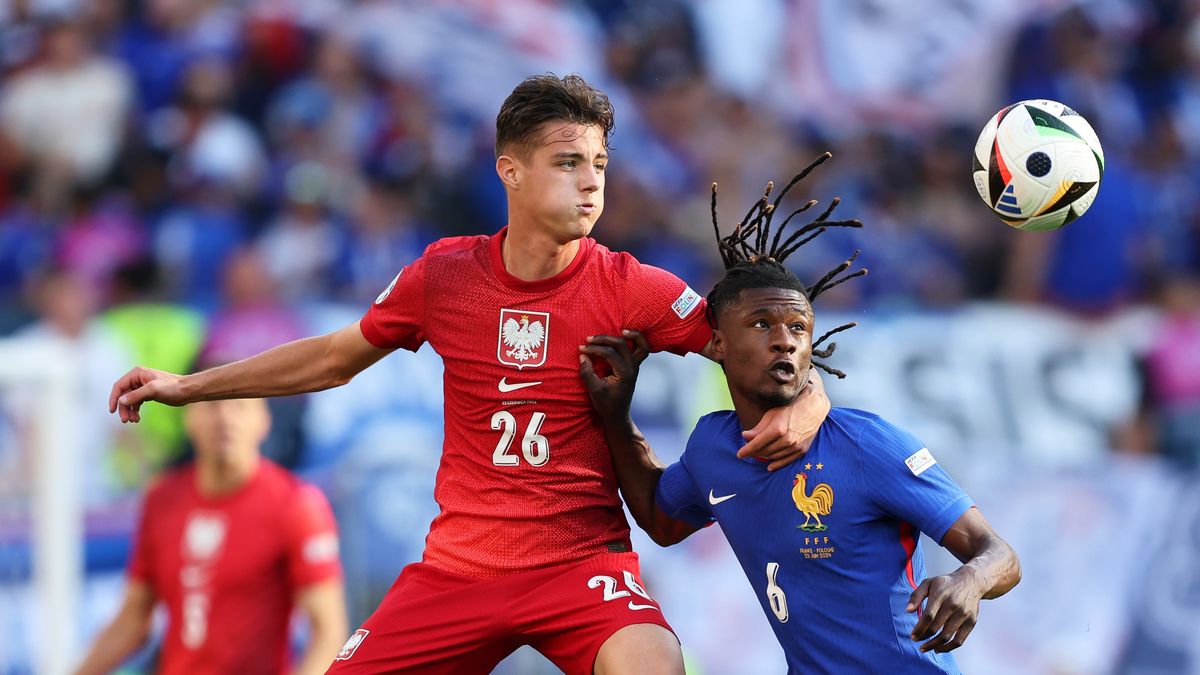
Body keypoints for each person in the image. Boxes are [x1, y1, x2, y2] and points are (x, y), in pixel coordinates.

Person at [107, 74, 831, 674]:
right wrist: (188, 384)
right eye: (568, 162)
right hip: (460, 567)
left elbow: (761, 345)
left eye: (600, 165)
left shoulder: (630, 285)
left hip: (581, 564)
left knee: (654, 666)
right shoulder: (445, 274)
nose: (590, 184)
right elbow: (333, 358)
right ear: (509, 172)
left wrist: (808, 403)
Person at [580, 158, 1022, 674]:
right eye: (762, 323)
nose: (784, 339)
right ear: (717, 343)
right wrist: (616, 417)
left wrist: (969, 580)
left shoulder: (867, 445)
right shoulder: (712, 447)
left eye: (798, 327)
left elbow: (999, 554)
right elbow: (660, 519)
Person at [76, 360, 347, 675]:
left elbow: (328, 631)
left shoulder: (296, 505)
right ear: (189, 418)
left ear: (264, 420)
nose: (225, 419)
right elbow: (133, 618)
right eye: (212, 406)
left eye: (240, 406)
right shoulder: (162, 500)